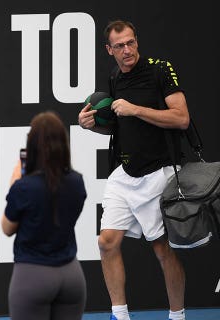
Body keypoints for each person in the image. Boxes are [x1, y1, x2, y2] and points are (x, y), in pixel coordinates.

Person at [78, 20, 188, 320]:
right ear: (109, 50)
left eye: (131, 43)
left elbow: (181, 118)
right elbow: (120, 126)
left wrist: (136, 109)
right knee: (106, 242)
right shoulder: (114, 77)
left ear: (136, 41)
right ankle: (120, 315)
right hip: (126, 174)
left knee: (162, 251)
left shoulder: (160, 70)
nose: (127, 50)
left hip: (159, 173)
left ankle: (177, 317)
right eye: (120, 46)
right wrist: (91, 125)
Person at [2, 111, 87, 320]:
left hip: (33, 276)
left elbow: (7, 228)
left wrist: (14, 185)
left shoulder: (24, 188)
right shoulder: (77, 182)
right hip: (72, 276)